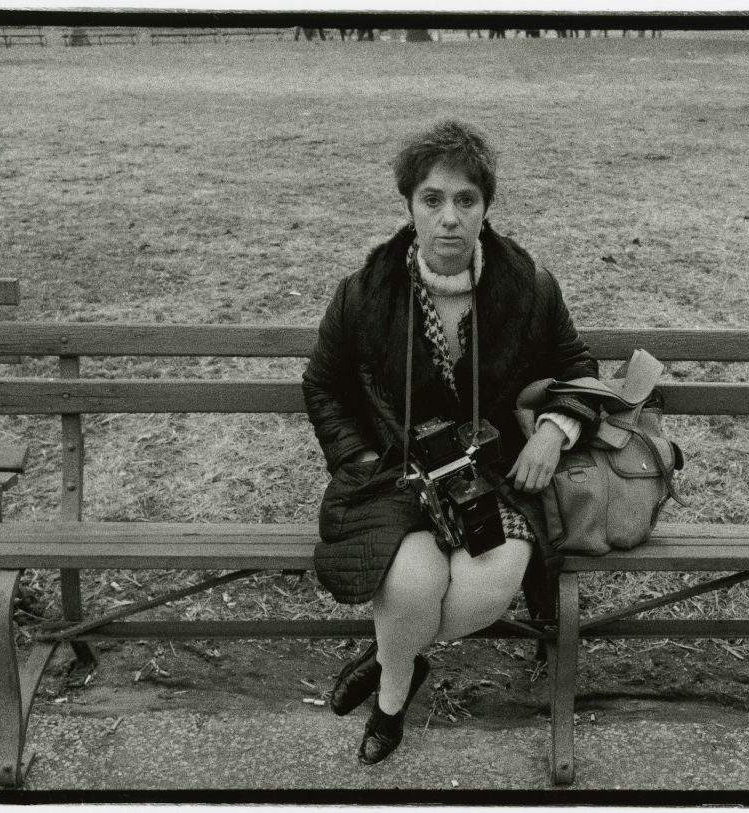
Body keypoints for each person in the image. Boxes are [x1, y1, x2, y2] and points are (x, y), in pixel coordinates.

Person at [302, 119, 600, 765]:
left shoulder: (529, 288)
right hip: (394, 478)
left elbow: (579, 370)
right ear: (409, 205)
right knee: (410, 587)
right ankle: (391, 699)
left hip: (494, 479)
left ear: (486, 206)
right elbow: (322, 385)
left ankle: (388, 655)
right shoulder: (365, 292)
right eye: (432, 199)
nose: (449, 219)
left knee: (483, 592)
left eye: (466, 200)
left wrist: (554, 429)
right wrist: (358, 456)